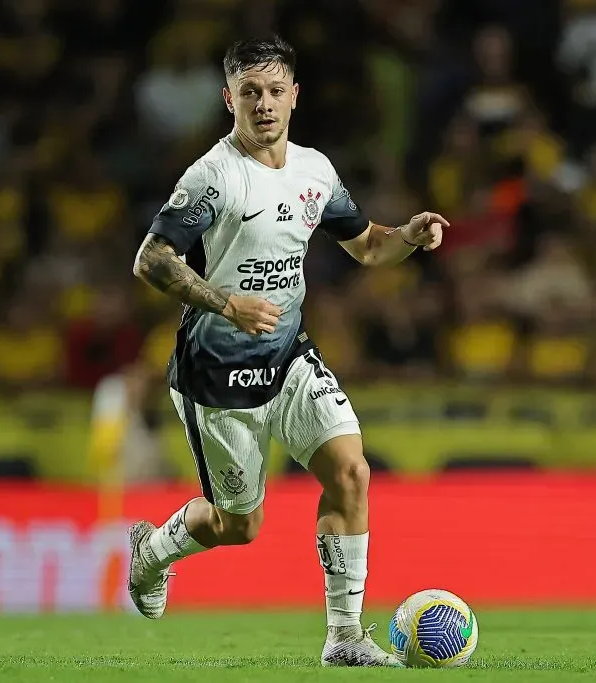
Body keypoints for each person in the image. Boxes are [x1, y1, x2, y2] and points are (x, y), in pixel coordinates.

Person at [128, 35, 447, 667]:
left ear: (294, 96)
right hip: (216, 375)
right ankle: (154, 551)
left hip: (288, 360)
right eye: (250, 93)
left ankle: (346, 637)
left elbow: (367, 247)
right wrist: (226, 303)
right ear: (229, 99)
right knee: (239, 527)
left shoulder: (314, 170)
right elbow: (152, 259)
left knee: (352, 471)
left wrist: (406, 235)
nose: (264, 104)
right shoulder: (213, 177)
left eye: (276, 91)